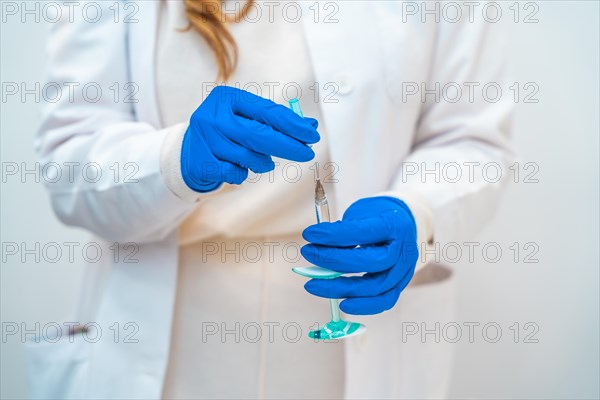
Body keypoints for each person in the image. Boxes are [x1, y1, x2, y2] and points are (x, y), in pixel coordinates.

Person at [30, 1, 514, 399]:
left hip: (348, 341)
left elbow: (471, 139)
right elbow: (68, 158)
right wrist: (172, 159)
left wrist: (418, 211)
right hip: (174, 346)